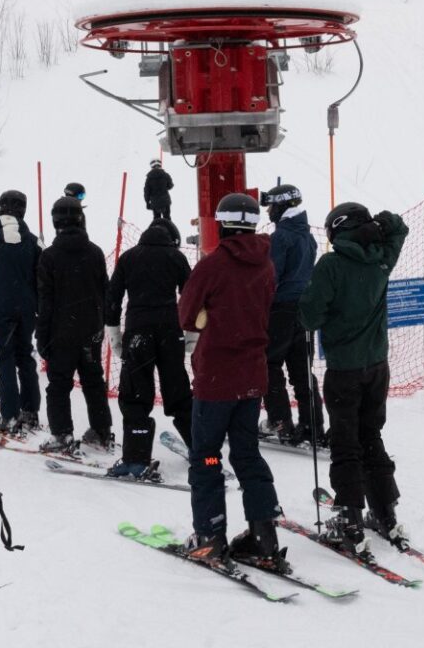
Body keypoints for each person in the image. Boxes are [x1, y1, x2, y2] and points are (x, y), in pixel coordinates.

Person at [177, 193, 284, 568]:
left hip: (217, 376)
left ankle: (210, 534)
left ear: (221, 223)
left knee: (206, 455)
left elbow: (187, 316)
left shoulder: (213, 265)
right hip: (252, 374)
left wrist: (209, 317)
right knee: (246, 452)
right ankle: (263, 533)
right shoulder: (265, 263)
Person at [299, 202, 409, 555]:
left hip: (344, 368)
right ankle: (385, 511)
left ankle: (349, 518)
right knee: (371, 434)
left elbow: (310, 317)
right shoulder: (381, 258)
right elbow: (398, 227)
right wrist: (379, 223)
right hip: (377, 365)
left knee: (346, 442)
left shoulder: (332, 264)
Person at [104, 218, 194, 480]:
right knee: (178, 393)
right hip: (170, 330)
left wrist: (114, 333)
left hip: (138, 331)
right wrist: (190, 334)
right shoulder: (175, 257)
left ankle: (135, 458)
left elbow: (113, 296)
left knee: (135, 395)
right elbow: (190, 296)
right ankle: (203, 452)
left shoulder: (130, 257)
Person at [36, 196, 113, 453]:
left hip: (62, 332)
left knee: (59, 384)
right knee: (93, 382)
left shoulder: (50, 257)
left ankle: (62, 435)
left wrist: (42, 336)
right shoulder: (95, 252)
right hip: (91, 330)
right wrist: (100, 327)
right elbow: (105, 292)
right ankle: (102, 431)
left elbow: (45, 302)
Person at [259, 184, 321, 445]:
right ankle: (312, 425)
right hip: (304, 310)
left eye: (271, 206)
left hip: (282, 308)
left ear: (282, 206)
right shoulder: (308, 236)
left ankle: (279, 420)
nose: (269, 211)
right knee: (301, 370)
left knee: (269, 363)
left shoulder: (281, 237)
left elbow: (271, 277)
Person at [0, 191, 41, 434]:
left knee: (4, 359)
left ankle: (9, 415)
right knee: (25, 356)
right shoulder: (34, 241)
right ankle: (30, 411)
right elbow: (44, 277)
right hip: (27, 310)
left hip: (2, 309)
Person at [144, 159, 175, 223]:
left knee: (156, 219)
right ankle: (168, 232)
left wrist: (147, 202)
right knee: (167, 219)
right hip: (165, 201)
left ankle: (157, 231)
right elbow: (170, 186)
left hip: (155, 203)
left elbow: (147, 192)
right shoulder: (165, 175)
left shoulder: (149, 178)